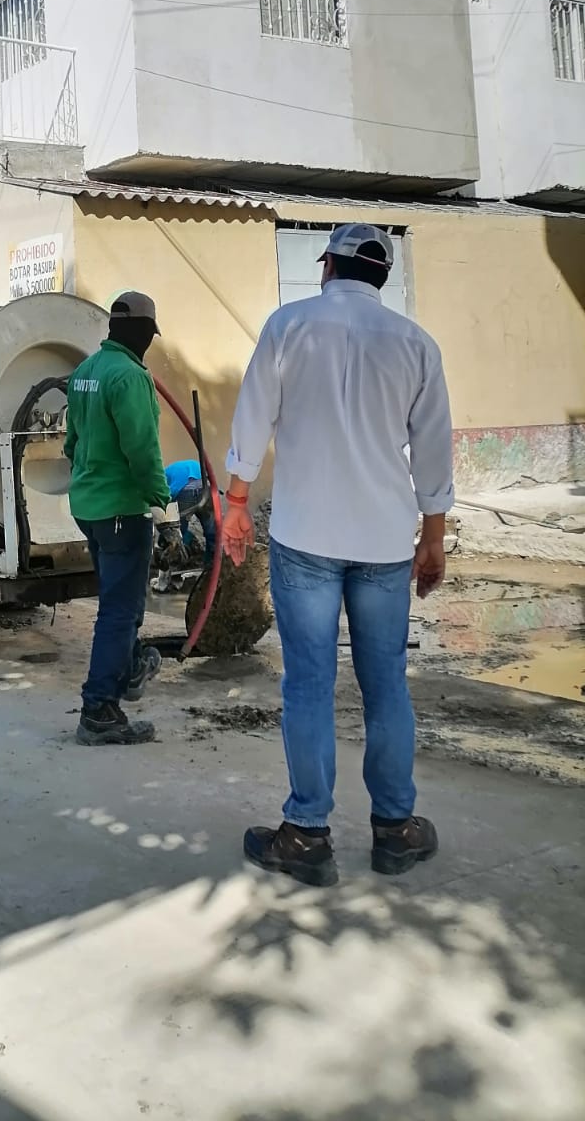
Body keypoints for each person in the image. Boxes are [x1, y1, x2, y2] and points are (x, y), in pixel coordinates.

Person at [222, 225, 454, 887]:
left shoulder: (289, 326)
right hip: (384, 543)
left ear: (327, 265)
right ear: (380, 276)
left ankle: (306, 835)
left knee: (308, 685)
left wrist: (236, 501)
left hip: (306, 541)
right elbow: (433, 449)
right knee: (385, 684)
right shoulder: (416, 344)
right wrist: (432, 538)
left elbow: (252, 420)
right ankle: (396, 830)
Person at [64, 291, 185, 745]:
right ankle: (99, 709)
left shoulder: (84, 372)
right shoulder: (131, 377)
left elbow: (72, 444)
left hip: (89, 510)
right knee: (119, 612)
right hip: (121, 511)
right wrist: (166, 508)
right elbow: (142, 451)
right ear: (141, 333)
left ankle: (131, 667)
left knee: (124, 604)